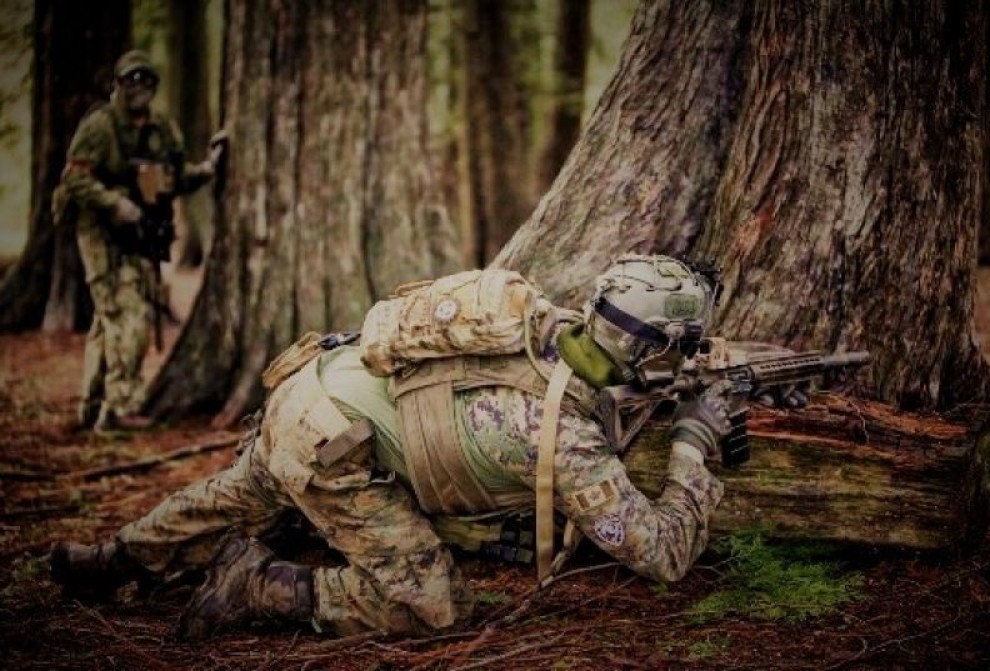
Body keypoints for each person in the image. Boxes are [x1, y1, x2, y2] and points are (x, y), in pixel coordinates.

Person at [51, 255, 733, 640]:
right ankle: (255, 586)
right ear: (656, 350)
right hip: (332, 445)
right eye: (687, 346)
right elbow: (663, 554)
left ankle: (112, 558)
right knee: (431, 606)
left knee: (243, 493)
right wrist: (692, 442)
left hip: (312, 385)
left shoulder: (541, 321)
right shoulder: (570, 447)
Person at [61, 50, 225, 433]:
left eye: (146, 80)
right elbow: (75, 179)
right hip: (100, 233)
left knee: (108, 320)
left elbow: (174, 177)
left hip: (140, 236)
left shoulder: (161, 127)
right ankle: (120, 407)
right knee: (127, 316)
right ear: (117, 84)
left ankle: (92, 407)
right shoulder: (100, 127)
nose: (139, 88)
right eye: (131, 80)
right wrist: (114, 203)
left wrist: (208, 169)